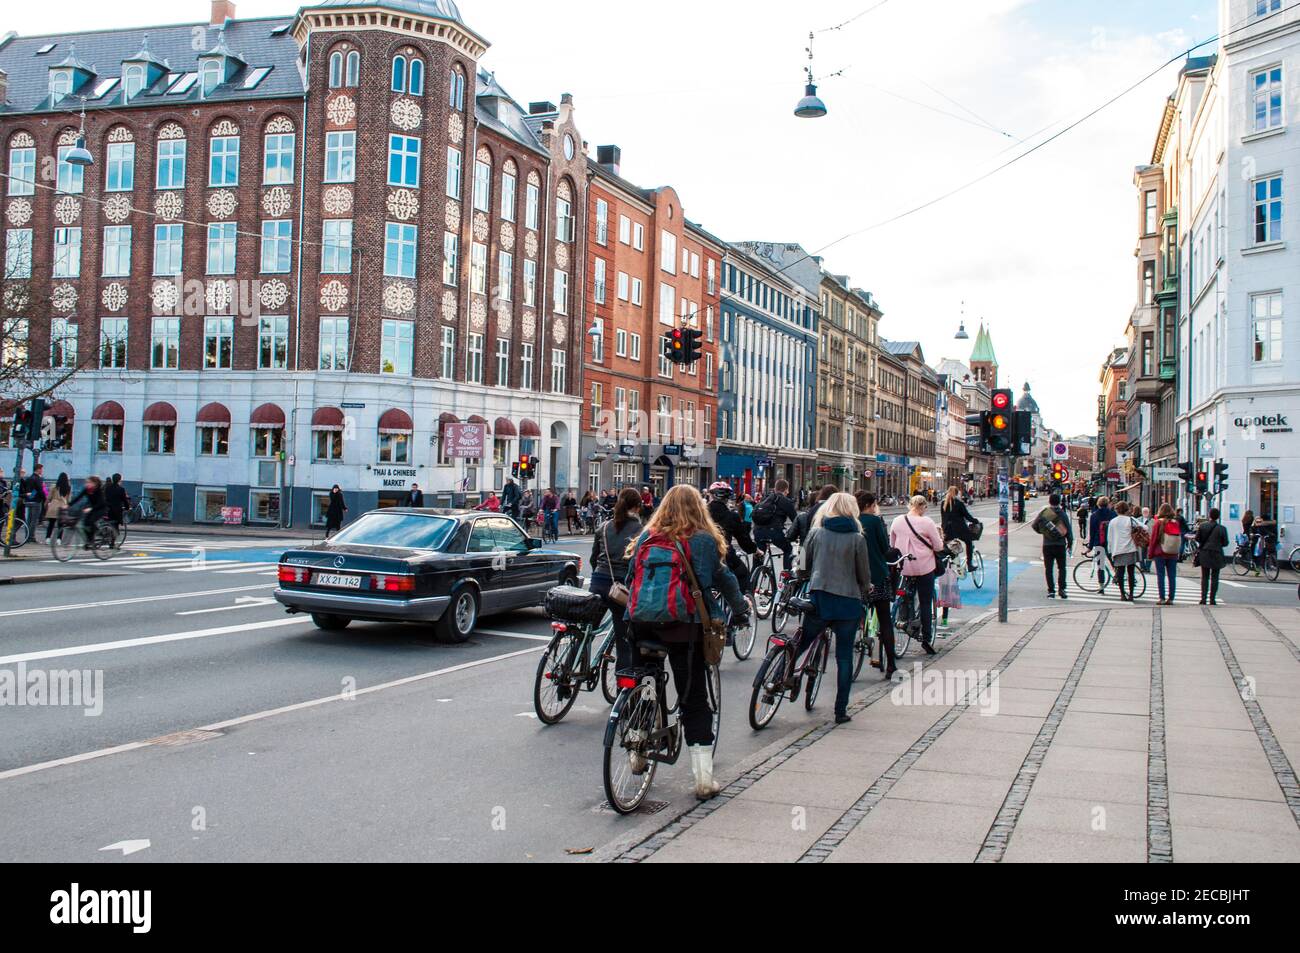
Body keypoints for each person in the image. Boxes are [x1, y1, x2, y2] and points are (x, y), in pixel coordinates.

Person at [625, 484, 748, 800]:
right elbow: (722, 579)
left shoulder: (646, 537)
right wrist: (740, 610)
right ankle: (704, 779)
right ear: (699, 508)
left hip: (642, 624)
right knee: (693, 698)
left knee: (642, 684)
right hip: (685, 626)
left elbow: (630, 579)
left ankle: (636, 748)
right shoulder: (704, 540)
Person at [799, 493, 873, 724]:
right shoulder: (857, 538)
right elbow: (864, 574)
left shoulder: (816, 533)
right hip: (848, 602)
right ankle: (840, 711)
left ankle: (782, 675)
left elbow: (802, 565)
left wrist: (805, 576)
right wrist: (865, 588)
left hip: (820, 597)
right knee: (844, 657)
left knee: (801, 642)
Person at [589, 487, 642, 671]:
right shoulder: (640, 531)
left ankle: (574, 666)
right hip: (621, 588)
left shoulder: (603, 527)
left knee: (588, 630)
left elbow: (593, 559)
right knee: (624, 640)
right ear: (636, 507)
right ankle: (622, 686)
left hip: (598, 582)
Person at [889, 495, 945, 656]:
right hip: (924, 567)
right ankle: (926, 638)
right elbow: (938, 546)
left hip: (904, 565)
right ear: (923, 507)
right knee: (926, 601)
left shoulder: (898, 520)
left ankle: (903, 619)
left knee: (905, 594)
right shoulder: (927, 522)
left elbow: (892, 544)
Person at [855, 491, 898, 679]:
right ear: (870, 505)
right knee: (885, 620)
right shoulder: (875, 521)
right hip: (877, 576)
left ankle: (862, 630)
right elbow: (884, 548)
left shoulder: (852, 520)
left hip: (856, 577)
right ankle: (891, 665)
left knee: (857, 612)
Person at [706, 481, 756, 594]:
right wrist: (755, 550)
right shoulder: (732, 516)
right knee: (743, 575)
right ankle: (743, 606)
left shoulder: (700, 514)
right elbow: (744, 540)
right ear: (727, 498)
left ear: (711, 495)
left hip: (700, 555)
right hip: (724, 556)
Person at [1032, 492, 1074, 599]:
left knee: (1049, 569)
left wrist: (1043, 532)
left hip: (1047, 545)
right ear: (1059, 502)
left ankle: (1051, 590)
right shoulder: (1063, 514)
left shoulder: (1045, 513)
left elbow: (1034, 525)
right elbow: (1068, 531)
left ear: (1049, 501)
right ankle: (1062, 589)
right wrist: (1070, 544)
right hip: (1060, 545)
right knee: (1062, 568)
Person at [751, 479, 798, 572]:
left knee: (759, 555)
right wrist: (795, 534)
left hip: (758, 531)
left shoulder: (765, 498)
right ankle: (787, 576)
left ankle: (752, 580)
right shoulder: (785, 500)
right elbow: (796, 520)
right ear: (786, 490)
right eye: (787, 491)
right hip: (774, 531)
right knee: (788, 549)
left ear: (775, 489)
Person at [1106, 501, 1140, 601]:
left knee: (1120, 572)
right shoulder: (1130, 520)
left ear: (1117, 510)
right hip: (1130, 548)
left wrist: (1110, 550)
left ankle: (1122, 594)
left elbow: (1110, 537)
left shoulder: (1113, 521)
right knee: (1131, 573)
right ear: (1127, 510)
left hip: (1118, 549)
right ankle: (1131, 594)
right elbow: (1145, 527)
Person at [1148, 503, 1181, 605]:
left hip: (1160, 552)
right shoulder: (1175, 522)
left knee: (1161, 575)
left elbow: (1153, 539)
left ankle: (1162, 597)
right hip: (1173, 553)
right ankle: (1171, 598)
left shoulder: (1158, 523)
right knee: (1172, 576)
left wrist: (1150, 553)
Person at [939, 485, 979, 569]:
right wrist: (975, 521)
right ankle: (969, 564)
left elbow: (943, 517)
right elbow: (967, 516)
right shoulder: (959, 503)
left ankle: (948, 563)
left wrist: (943, 529)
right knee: (968, 543)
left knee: (947, 546)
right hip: (959, 529)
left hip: (947, 529)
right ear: (957, 493)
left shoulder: (943, 503)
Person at [1195, 508, 1229, 605]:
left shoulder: (1203, 526)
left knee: (1204, 577)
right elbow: (1225, 543)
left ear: (1209, 515)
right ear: (1218, 516)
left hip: (1205, 553)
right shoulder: (1222, 529)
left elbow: (1198, 538)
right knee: (1215, 577)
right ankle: (1212, 599)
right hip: (1217, 553)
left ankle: (1203, 598)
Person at [1087, 496, 1117, 595]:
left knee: (1101, 566)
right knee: (1114, 563)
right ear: (1108, 504)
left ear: (1098, 504)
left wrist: (1090, 547)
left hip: (1099, 543)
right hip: (1110, 543)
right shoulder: (1113, 514)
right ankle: (1118, 577)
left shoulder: (1094, 515)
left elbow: (1092, 532)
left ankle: (1101, 587)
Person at [68, 475, 107, 544]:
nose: (87, 484)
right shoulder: (87, 490)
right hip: (92, 508)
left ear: (94, 483)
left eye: (89, 482)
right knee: (85, 523)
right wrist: (68, 505)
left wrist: (90, 508)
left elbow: (101, 503)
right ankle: (89, 541)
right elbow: (78, 497)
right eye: (86, 482)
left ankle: (98, 535)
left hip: (101, 508)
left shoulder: (98, 490)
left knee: (91, 521)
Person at [43, 472, 72, 541]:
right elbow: (69, 499)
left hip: (53, 505)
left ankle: (48, 538)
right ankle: (59, 539)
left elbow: (49, 497)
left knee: (51, 524)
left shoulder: (54, 486)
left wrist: (46, 504)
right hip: (62, 506)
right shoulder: (68, 487)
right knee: (61, 525)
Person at [103, 473, 129, 547]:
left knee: (108, 524)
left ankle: (106, 536)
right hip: (116, 511)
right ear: (119, 480)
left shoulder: (108, 488)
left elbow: (105, 498)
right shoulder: (121, 489)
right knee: (115, 527)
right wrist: (127, 507)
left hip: (108, 510)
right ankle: (112, 543)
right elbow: (124, 500)